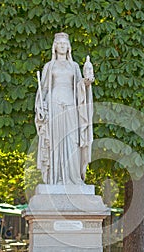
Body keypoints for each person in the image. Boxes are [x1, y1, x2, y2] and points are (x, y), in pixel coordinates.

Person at [35, 32, 94, 185]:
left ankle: (73, 178)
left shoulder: (74, 66)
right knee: (56, 141)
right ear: (55, 47)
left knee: (72, 139)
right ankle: (56, 178)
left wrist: (86, 82)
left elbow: (79, 86)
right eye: (59, 44)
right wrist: (41, 106)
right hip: (54, 104)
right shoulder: (49, 66)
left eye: (64, 44)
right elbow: (44, 90)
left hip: (70, 105)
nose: (62, 46)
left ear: (68, 47)